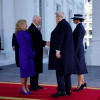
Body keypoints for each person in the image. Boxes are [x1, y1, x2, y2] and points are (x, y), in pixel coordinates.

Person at [49, 11, 77, 98]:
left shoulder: (61, 24)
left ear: (58, 17)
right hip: (67, 53)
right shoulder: (67, 24)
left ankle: (61, 91)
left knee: (60, 72)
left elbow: (60, 38)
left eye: (56, 17)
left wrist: (57, 50)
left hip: (62, 53)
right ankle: (68, 90)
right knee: (67, 72)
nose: (56, 19)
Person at [28, 15, 49, 91]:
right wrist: (45, 43)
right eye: (39, 19)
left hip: (37, 53)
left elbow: (38, 40)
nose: (40, 21)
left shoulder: (35, 28)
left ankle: (35, 84)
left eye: (40, 19)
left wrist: (45, 42)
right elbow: (35, 41)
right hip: (34, 53)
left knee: (36, 69)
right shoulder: (31, 28)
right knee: (34, 69)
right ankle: (32, 86)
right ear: (34, 20)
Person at [16, 20, 36, 95]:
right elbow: (23, 45)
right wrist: (29, 53)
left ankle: (26, 87)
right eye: (25, 24)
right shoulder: (20, 33)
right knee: (24, 71)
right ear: (21, 25)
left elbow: (30, 43)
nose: (27, 25)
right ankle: (23, 88)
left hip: (29, 53)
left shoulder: (25, 32)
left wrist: (32, 52)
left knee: (28, 71)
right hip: (24, 54)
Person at [71, 14, 88, 91]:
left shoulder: (79, 27)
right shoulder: (80, 27)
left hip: (78, 50)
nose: (73, 20)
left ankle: (80, 84)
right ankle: (83, 82)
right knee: (79, 66)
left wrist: (75, 51)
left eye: (74, 19)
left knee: (79, 67)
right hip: (79, 49)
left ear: (78, 20)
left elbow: (77, 41)